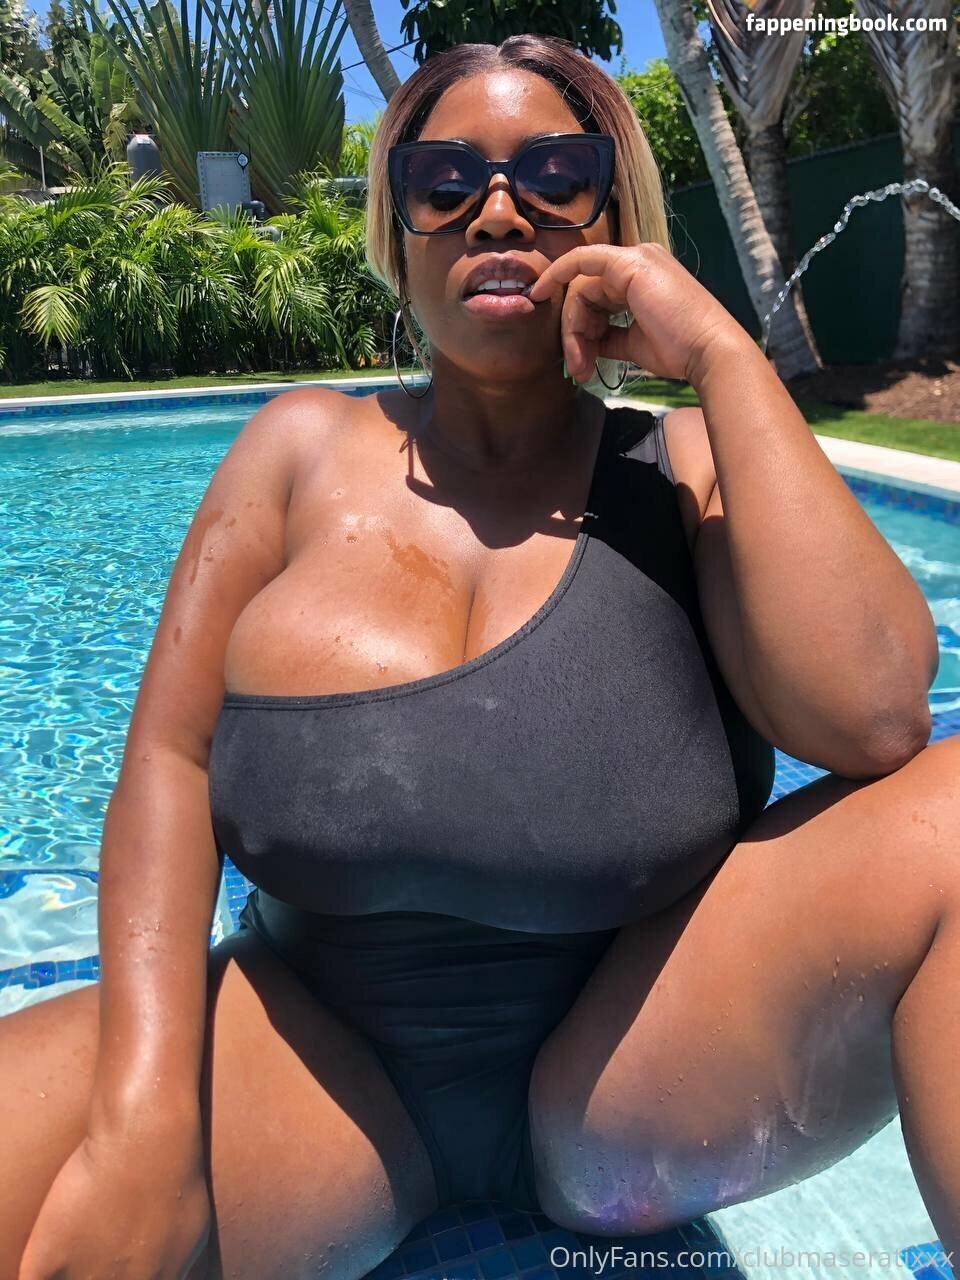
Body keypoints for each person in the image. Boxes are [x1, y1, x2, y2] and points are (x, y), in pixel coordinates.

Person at [2, 31, 957, 1280]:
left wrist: (722, 356)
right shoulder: (293, 452)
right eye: (442, 181)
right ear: (399, 234)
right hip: (314, 1061)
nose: (498, 210)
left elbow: (876, 715)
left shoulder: (685, 473)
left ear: (616, 220)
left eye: (556, 173)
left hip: (635, 1073)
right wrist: (142, 1120)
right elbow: (167, 767)